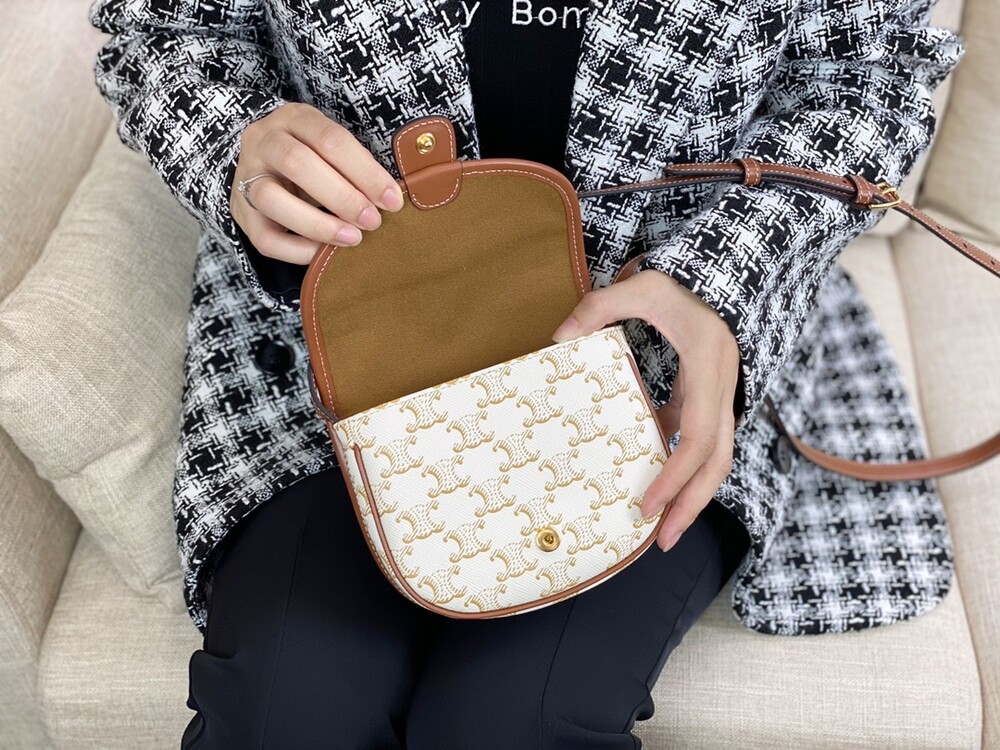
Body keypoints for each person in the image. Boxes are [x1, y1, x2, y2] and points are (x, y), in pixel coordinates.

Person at [87, 0, 964, 746]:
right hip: (342, 349)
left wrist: (718, 280)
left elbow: (871, 77)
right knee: (288, 715)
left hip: (652, 362)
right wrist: (235, 145)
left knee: (514, 724)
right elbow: (164, 35)